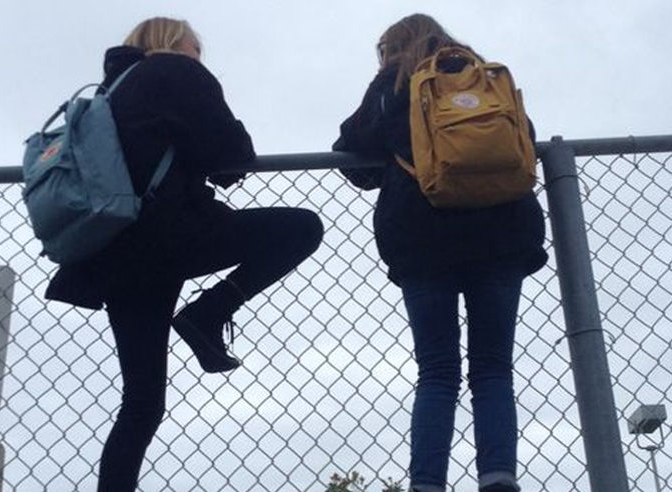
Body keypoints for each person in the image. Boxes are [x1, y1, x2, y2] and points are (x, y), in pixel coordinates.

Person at [44, 17, 323, 491]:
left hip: (117, 252)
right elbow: (232, 154)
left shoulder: (111, 91)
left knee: (142, 402)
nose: (199, 56)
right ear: (177, 44)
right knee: (302, 228)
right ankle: (209, 311)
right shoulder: (177, 71)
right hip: (173, 235)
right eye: (197, 48)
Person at [333, 14, 547, 492]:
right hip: (502, 232)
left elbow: (352, 154)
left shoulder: (394, 83)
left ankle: (427, 483)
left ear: (391, 48)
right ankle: (498, 477)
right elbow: (525, 141)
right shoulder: (486, 77)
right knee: (493, 367)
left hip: (422, 236)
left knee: (437, 371)